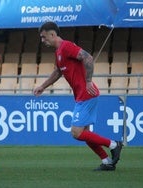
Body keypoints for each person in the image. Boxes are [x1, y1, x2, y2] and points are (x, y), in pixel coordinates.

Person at [34, 22, 123, 171]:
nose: (42, 41)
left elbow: (87, 57)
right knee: (85, 133)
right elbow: (58, 72)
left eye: (44, 37)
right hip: (82, 95)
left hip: (86, 94)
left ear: (52, 34)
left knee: (76, 133)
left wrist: (88, 81)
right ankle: (107, 161)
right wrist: (43, 86)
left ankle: (114, 144)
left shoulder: (66, 46)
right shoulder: (58, 52)